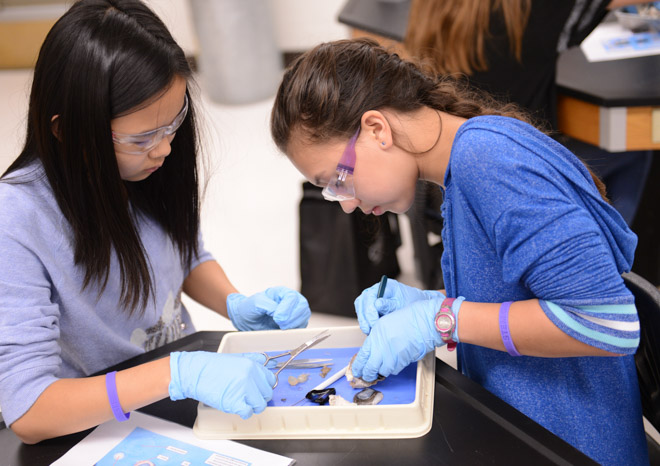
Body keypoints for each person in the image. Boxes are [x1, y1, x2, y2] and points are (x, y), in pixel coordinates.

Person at [270, 38, 647, 465]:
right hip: (524, 429)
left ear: (377, 130)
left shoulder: (488, 161)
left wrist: (444, 319)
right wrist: (436, 304)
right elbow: (521, 295)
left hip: (572, 446)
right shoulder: (461, 169)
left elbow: (607, 324)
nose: (348, 203)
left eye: (338, 180)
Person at [0, 0, 311, 444]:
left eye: (173, 124)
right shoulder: (14, 221)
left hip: (177, 387)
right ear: (66, 130)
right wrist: (173, 374)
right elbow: (30, 410)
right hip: (101, 424)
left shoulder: (146, 166)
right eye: (142, 137)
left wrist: (235, 305)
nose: (164, 149)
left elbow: (184, 255)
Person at [403, 0, 653, 226]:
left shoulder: (430, 8)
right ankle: (604, 254)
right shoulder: (533, 10)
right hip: (520, 179)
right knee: (636, 149)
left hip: (451, 182)